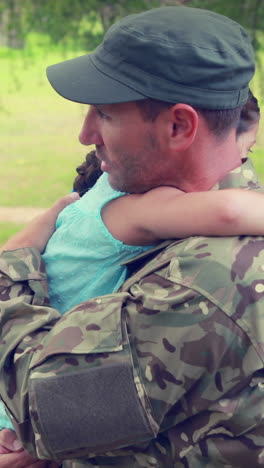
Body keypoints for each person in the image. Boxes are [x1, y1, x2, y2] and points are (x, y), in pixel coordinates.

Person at [0, 5, 263, 468]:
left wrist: (7, 272)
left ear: (179, 126)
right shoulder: (147, 202)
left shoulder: (206, 277)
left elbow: (47, 411)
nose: (85, 134)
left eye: (104, 114)